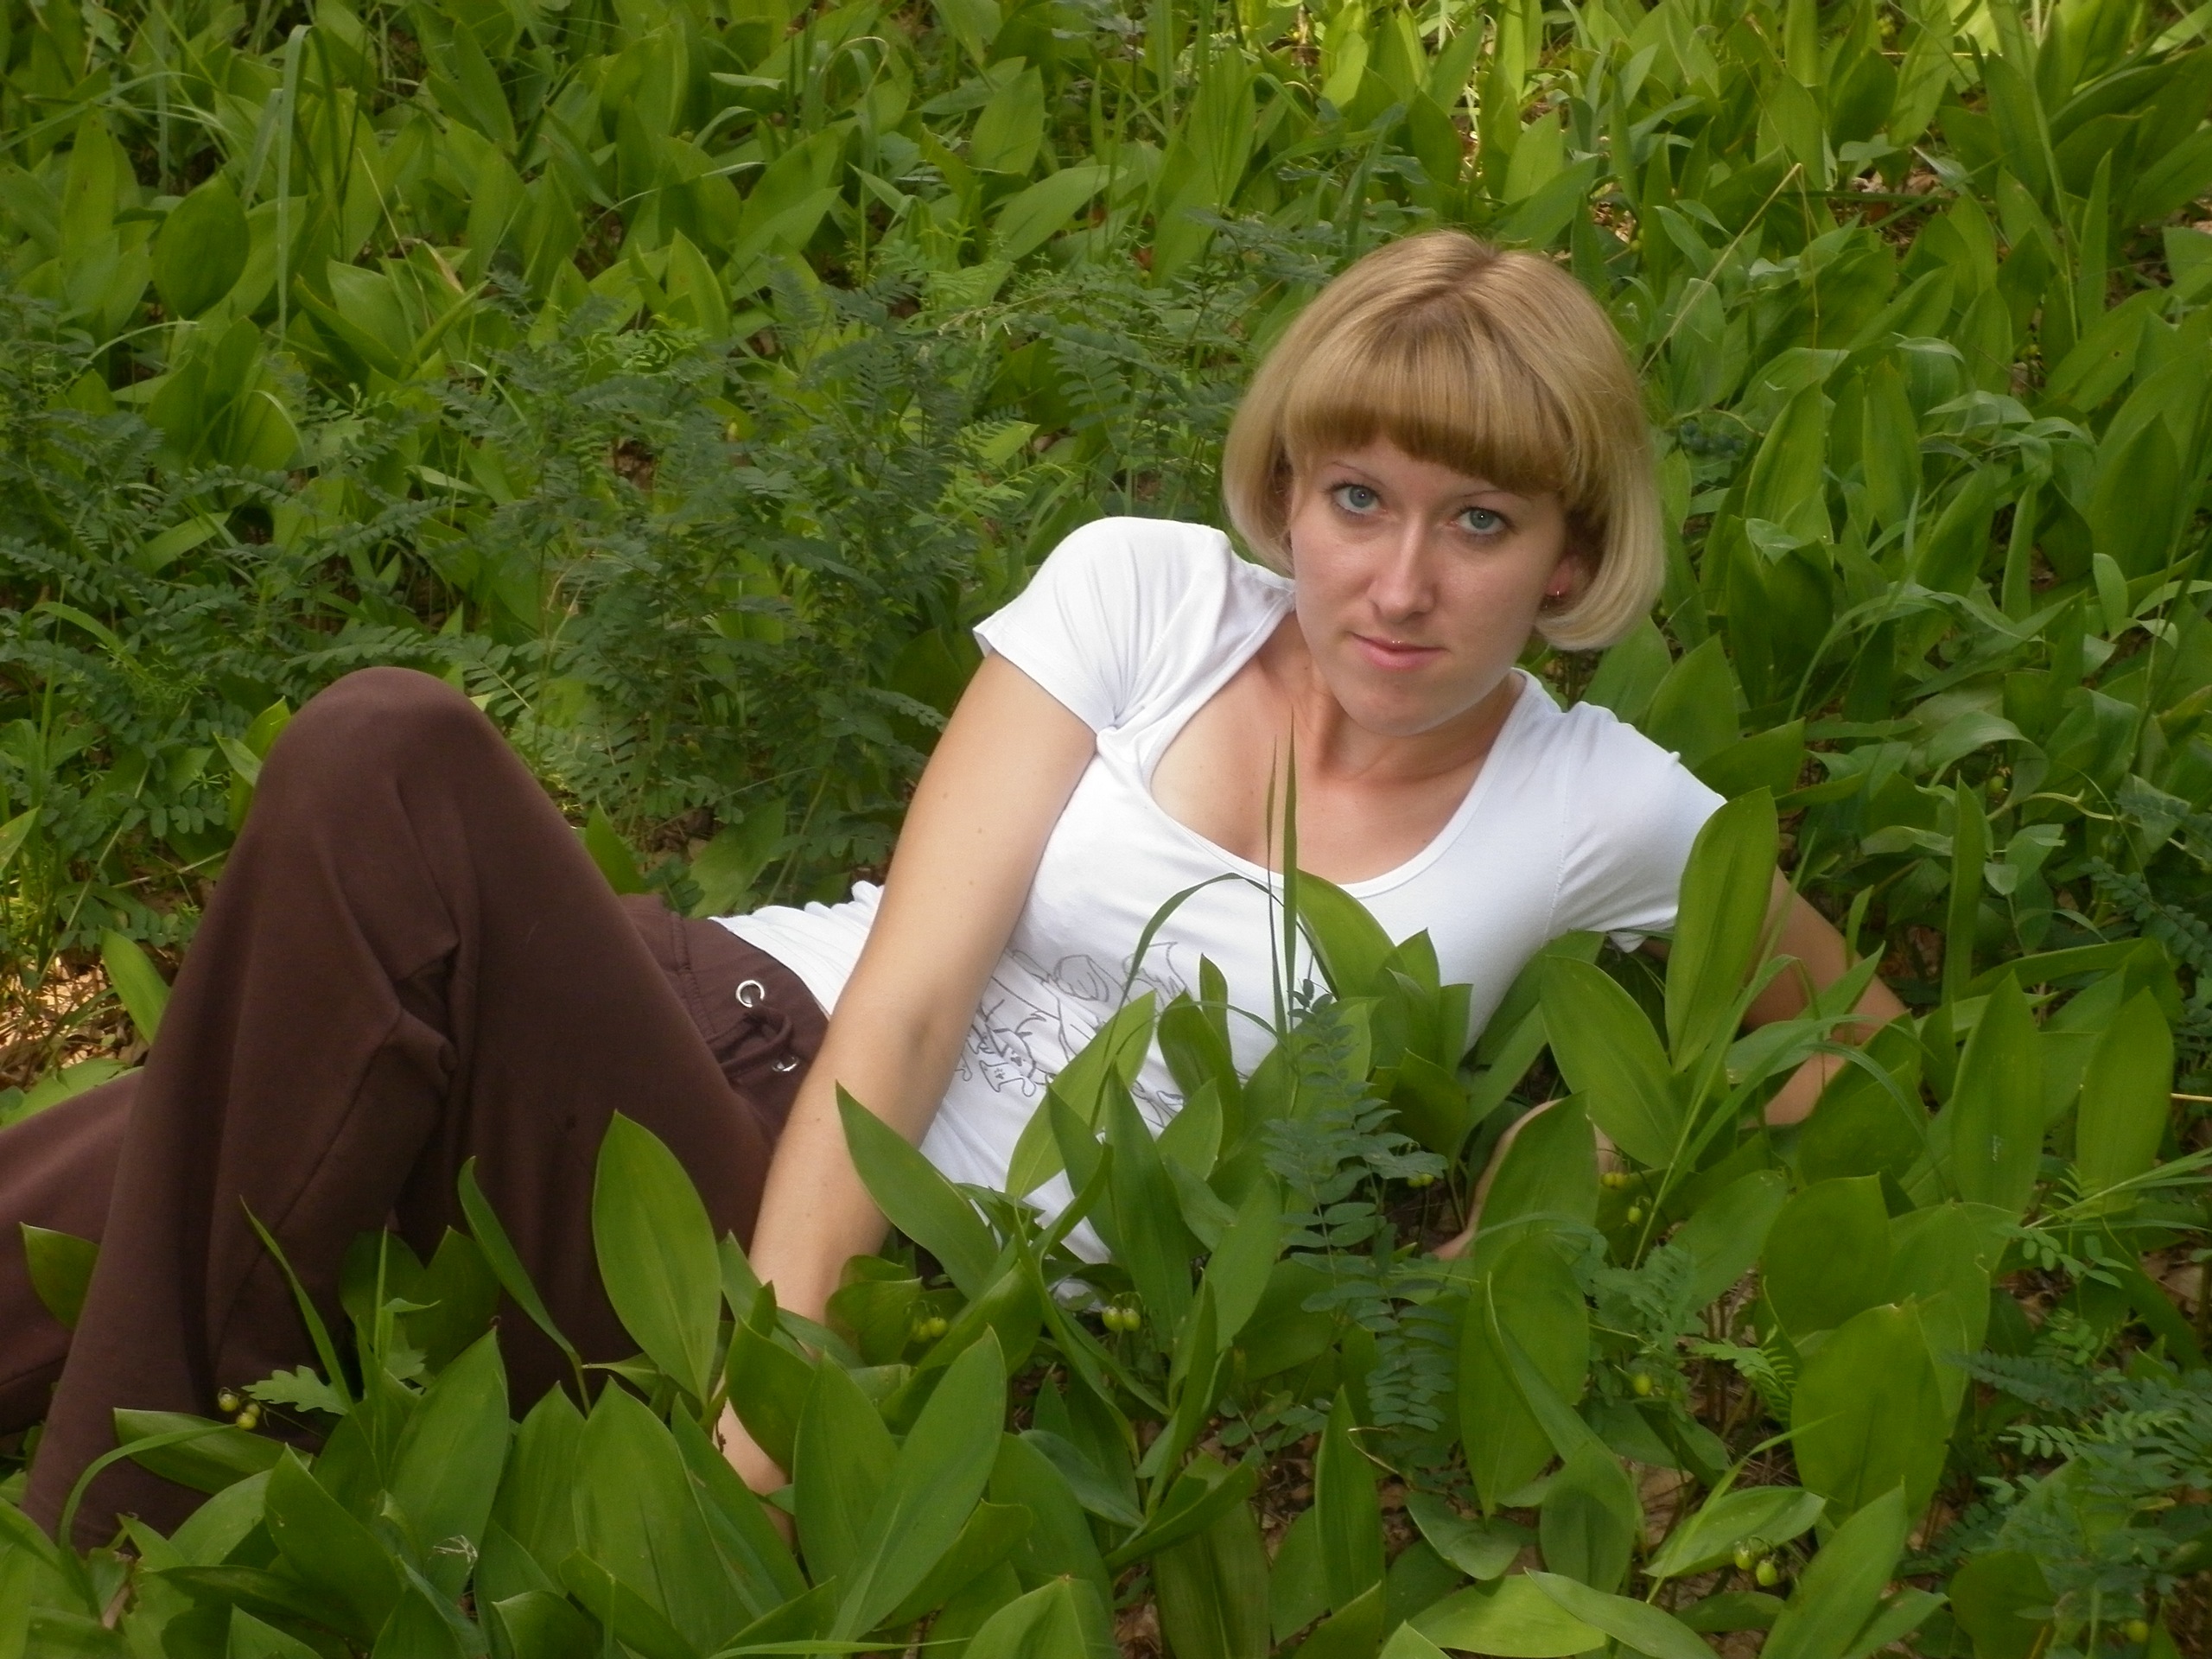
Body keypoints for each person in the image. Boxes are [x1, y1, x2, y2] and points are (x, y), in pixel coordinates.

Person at [0, 229, 1901, 1542]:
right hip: (729, 1039)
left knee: (357, 811)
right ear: (1289, 488)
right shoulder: (1145, 595)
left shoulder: (1601, 803)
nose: (1399, 585)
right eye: (1358, 500)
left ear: (1570, 556)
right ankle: (122, 1516)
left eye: (1477, 523)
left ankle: (105, 1533)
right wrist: (770, 1389)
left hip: (926, 1267)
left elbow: (1859, 1049)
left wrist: (1570, 1203)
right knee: (244, 1019)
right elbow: (908, 998)